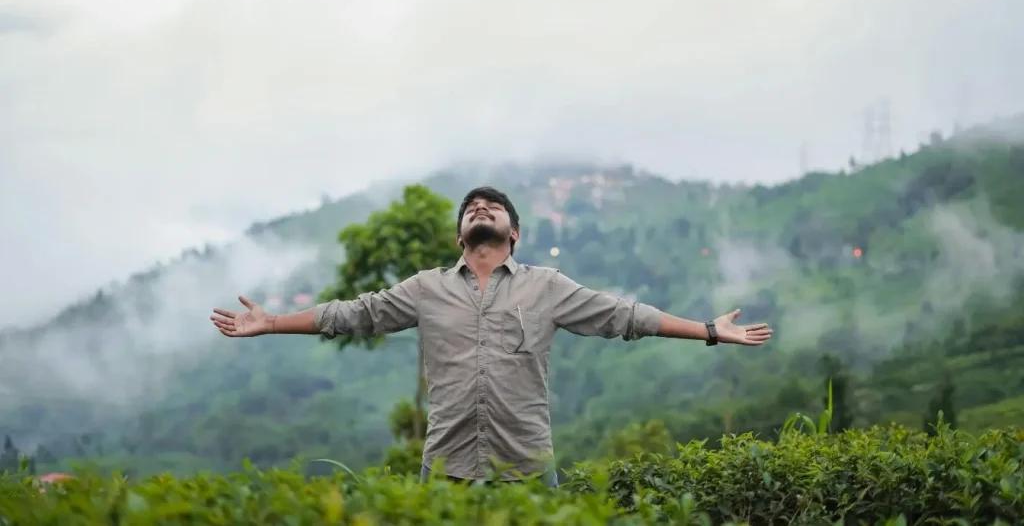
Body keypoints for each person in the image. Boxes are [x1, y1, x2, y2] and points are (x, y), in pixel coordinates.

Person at [210, 186, 773, 487]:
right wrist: (272, 322)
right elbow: (354, 314)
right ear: (461, 235)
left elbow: (625, 316)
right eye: (472, 209)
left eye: (493, 207)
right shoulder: (426, 288)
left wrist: (709, 331)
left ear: (514, 232)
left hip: (527, 467)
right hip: (445, 468)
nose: (481, 209)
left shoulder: (547, 286)